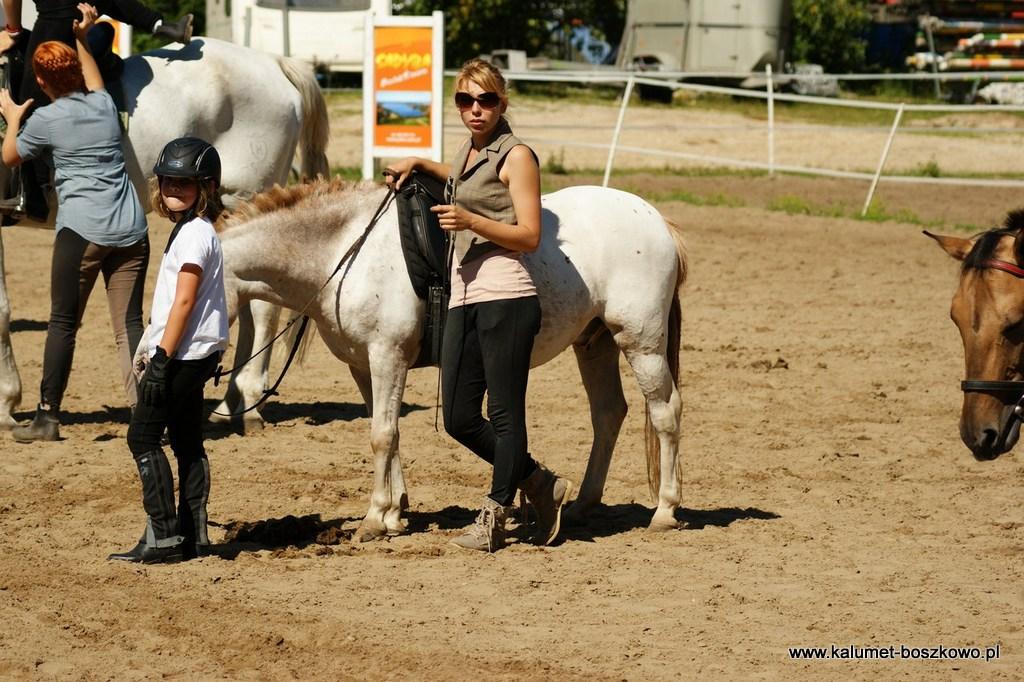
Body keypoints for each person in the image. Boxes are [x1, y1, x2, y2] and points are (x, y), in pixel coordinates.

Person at [385, 58, 573, 553]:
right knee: (457, 417)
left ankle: (495, 513)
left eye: (486, 99)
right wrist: (420, 163)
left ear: (501, 103)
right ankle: (541, 482)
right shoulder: (469, 150)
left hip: (506, 294)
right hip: (463, 294)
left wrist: (470, 221)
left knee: (505, 414)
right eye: (465, 100)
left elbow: (529, 235)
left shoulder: (518, 156)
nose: (475, 109)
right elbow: (461, 178)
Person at [0, 3, 148, 442]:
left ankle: (47, 417)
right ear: (77, 74)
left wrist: (13, 120)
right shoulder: (103, 103)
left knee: (63, 323)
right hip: (132, 231)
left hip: (83, 232)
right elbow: (96, 79)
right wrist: (82, 38)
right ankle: (146, 415)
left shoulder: (44, 120)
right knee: (129, 327)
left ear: (42, 82)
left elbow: (9, 157)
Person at [108, 136, 228, 564]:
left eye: (185, 183)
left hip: (181, 355)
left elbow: (185, 300)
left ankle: (163, 538)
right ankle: (194, 534)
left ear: (207, 187)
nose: (174, 189)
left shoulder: (194, 235)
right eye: (168, 181)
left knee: (142, 437)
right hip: (194, 353)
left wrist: (161, 360)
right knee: (185, 438)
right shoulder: (193, 230)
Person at [0, 0, 192, 219]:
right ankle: (161, 25)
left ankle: (34, 194)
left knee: (29, 101)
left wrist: (13, 31)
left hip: (56, 21)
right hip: (88, 14)